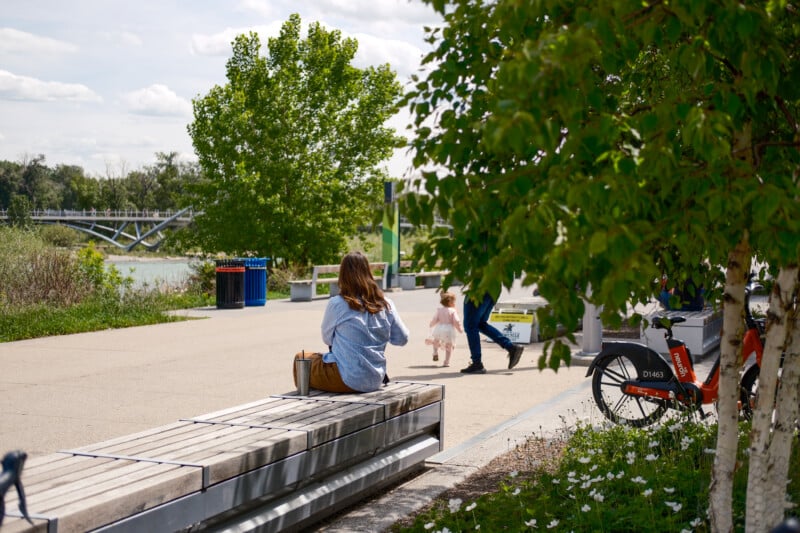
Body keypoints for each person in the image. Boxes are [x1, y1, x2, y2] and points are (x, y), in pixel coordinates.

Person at [293, 251, 410, 393]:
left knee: (301, 358)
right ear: (368, 273)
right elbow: (402, 339)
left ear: (343, 275)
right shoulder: (386, 304)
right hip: (376, 379)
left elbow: (327, 339)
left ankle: (309, 403)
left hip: (346, 379)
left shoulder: (337, 303)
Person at [461, 291, 524, 374]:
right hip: (493, 289)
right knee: (480, 324)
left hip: (478, 289)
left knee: (471, 326)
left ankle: (477, 363)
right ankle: (510, 347)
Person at [425, 291, 464, 367]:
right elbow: (456, 321)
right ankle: (446, 362)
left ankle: (435, 352)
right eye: (454, 301)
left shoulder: (439, 310)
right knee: (449, 345)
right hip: (449, 330)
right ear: (450, 302)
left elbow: (435, 319)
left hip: (439, 328)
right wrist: (460, 329)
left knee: (436, 341)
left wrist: (431, 324)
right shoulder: (453, 311)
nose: (455, 303)